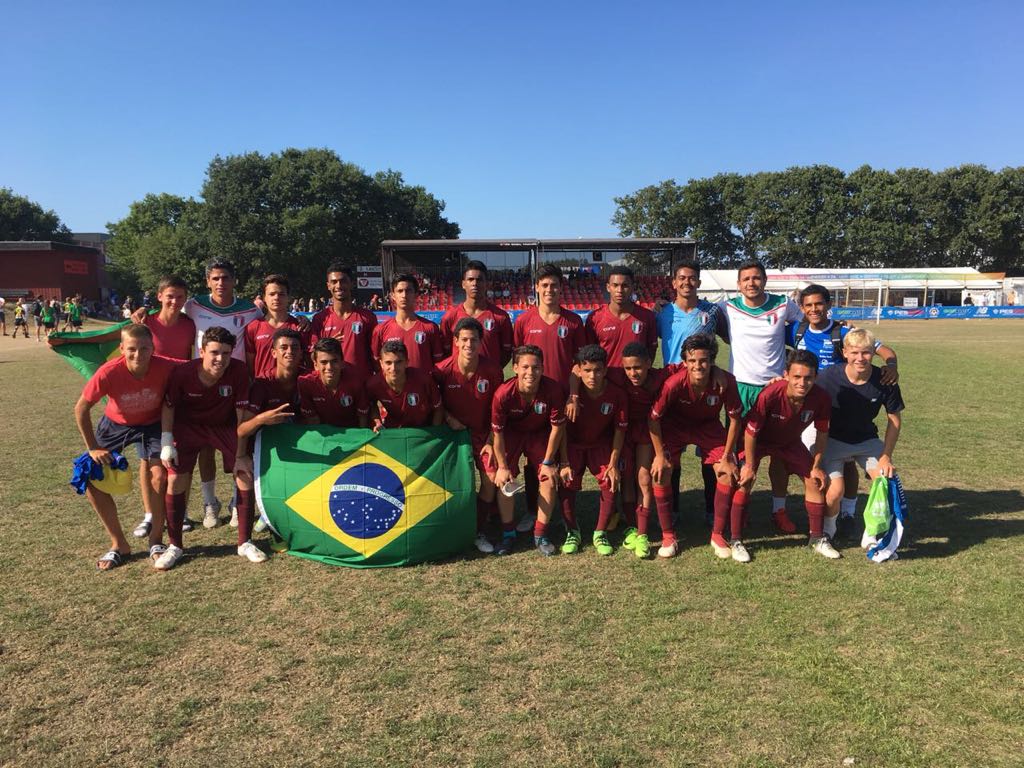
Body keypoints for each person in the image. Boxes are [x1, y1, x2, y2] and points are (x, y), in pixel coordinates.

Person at [135, 259, 263, 528]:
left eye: (226, 278)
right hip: (202, 387)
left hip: (235, 386)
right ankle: (210, 503)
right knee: (205, 449)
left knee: (239, 447)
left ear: (234, 280)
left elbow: (266, 328)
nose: (221, 283)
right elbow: (167, 313)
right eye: (215, 278)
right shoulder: (193, 305)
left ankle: (236, 503)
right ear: (207, 281)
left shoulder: (251, 310)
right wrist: (142, 315)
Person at [775, 283, 899, 533]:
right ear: (801, 308)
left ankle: (846, 512)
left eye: (819, 304)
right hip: (806, 404)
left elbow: (882, 350)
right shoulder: (794, 331)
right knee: (801, 459)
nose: (814, 309)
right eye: (808, 305)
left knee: (845, 462)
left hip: (837, 403)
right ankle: (799, 511)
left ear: (829, 305)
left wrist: (892, 365)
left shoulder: (843, 332)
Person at [74, 324, 176, 569]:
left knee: (159, 477)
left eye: (144, 348)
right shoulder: (109, 372)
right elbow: (81, 409)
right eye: (131, 349)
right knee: (89, 477)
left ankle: (156, 542)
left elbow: (197, 366)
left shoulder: (167, 366)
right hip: (116, 425)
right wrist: (92, 448)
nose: (138, 354)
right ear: (121, 349)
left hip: (152, 425)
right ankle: (119, 543)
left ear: (153, 348)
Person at [156, 327, 255, 570]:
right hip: (189, 427)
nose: (220, 359)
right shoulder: (183, 373)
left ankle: (245, 542)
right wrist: (167, 441)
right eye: (214, 352)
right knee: (176, 480)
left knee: (245, 473)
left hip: (223, 426)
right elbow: (168, 406)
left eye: (226, 353)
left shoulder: (239, 370)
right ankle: (175, 545)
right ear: (201, 351)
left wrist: (241, 454)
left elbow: (241, 414)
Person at [718, 259, 804, 533]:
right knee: (741, 455)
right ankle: (739, 509)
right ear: (738, 284)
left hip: (777, 388)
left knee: (780, 453)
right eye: (746, 279)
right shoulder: (727, 307)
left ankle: (778, 510)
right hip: (741, 388)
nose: (751, 283)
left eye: (756, 278)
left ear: (764, 280)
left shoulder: (783, 304)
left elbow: (807, 326)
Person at [649, 334, 745, 561]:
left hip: (708, 427)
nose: (697, 365)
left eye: (703, 360)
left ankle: (718, 535)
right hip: (676, 427)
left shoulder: (726, 381)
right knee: (660, 471)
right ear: (685, 362)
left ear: (712, 360)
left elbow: (735, 420)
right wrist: (660, 455)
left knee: (726, 473)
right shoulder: (674, 383)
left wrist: (728, 455)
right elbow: (653, 419)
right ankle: (668, 535)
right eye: (692, 361)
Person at [737, 350, 837, 559]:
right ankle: (736, 539)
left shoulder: (821, 398)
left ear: (815, 377)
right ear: (786, 375)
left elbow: (822, 434)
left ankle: (817, 538)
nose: (802, 383)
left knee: (814, 481)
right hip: (759, 441)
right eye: (797, 377)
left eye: (808, 377)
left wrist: (817, 465)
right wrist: (749, 465)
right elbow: (751, 433)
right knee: (743, 480)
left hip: (789, 443)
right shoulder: (770, 394)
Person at [511, 264, 587, 533]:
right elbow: (517, 362)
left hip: (564, 401)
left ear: (561, 288)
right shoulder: (523, 321)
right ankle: (534, 511)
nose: (549, 290)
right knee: (536, 458)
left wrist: (575, 395)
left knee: (567, 456)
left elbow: (580, 364)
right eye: (544, 285)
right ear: (537, 288)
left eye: (554, 285)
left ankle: (567, 514)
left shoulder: (573, 321)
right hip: (533, 403)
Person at [656, 259, 729, 528]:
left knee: (710, 452)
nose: (687, 282)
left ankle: (711, 509)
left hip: (705, 388)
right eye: (682, 278)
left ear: (699, 282)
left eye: (692, 278)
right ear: (674, 283)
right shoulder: (661, 313)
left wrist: (718, 369)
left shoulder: (711, 312)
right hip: (673, 391)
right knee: (671, 455)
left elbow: (729, 340)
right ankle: (672, 508)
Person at [816, 329, 904, 547]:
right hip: (833, 440)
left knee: (885, 480)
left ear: (873, 354)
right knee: (835, 492)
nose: (860, 358)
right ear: (844, 352)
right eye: (854, 352)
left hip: (867, 441)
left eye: (866, 353)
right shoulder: (828, 376)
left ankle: (872, 531)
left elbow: (894, 420)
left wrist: (886, 456)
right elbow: (806, 396)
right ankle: (829, 528)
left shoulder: (885, 379)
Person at [433, 317, 505, 554]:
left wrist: (491, 441)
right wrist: (447, 417)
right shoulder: (441, 371)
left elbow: (499, 410)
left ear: (480, 341)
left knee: (490, 481)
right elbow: (434, 403)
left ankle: (477, 529)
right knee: (454, 485)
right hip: (454, 437)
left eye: (473, 339)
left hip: (484, 435)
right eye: (464, 339)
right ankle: (453, 527)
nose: (468, 344)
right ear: (455, 341)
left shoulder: (493, 370)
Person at [490, 345, 567, 556]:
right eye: (525, 367)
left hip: (539, 434)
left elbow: (557, 428)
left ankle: (540, 534)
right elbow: (498, 433)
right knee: (504, 480)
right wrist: (503, 467)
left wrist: (549, 462)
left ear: (543, 368)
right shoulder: (503, 394)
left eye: (536, 367)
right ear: (515, 368)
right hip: (512, 434)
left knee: (548, 478)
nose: (530, 373)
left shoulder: (553, 390)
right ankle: (508, 534)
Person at [606, 343, 679, 551]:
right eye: (628, 368)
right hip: (622, 431)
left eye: (637, 367)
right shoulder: (618, 376)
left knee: (644, 479)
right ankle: (632, 525)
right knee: (626, 477)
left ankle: (643, 533)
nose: (633, 373)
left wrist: (717, 371)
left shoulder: (660, 376)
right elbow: (579, 369)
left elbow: (685, 367)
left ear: (648, 363)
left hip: (648, 432)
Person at [556, 345, 626, 556]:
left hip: (600, 445)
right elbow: (562, 430)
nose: (592, 375)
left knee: (611, 479)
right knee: (566, 480)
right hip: (573, 446)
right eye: (587, 371)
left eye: (597, 370)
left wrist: (613, 464)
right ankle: (572, 531)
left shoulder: (616, 394)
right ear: (578, 370)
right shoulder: (569, 395)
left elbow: (619, 431)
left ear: (605, 370)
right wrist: (565, 461)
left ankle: (600, 532)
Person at [235, 328, 305, 538]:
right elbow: (242, 430)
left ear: (302, 353)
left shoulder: (308, 378)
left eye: (294, 348)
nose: (289, 352)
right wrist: (262, 419)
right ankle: (266, 512)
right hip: (269, 448)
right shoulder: (262, 384)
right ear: (273, 353)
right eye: (283, 347)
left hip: (301, 441)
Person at [310, 264, 379, 382]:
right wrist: (327, 345)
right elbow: (313, 356)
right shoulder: (319, 319)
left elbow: (376, 356)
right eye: (334, 282)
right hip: (331, 386)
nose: (338, 285)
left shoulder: (368, 318)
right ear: (328, 285)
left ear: (352, 284)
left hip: (361, 387)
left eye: (343, 281)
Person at [439, 261, 514, 367]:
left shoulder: (501, 317)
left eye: (479, 280)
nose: (475, 283)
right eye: (470, 279)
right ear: (463, 284)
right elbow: (445, 353)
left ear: (487, 284)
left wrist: (491, 370)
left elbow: (506, 353)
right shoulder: (449, 317)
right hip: (458, 381)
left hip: (491, 380)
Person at [584, 265, 658, 366]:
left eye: (625, 285)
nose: (620, 290)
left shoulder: (647, 316)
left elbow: (651, 349)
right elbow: (590, 355)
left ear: (633, 287)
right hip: (607, 380)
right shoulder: (595, 318)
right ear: (608, 287)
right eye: (615, 285)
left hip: (636, 380)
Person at [371, 274, 444, 372]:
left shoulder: (430, 328)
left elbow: (438, 363)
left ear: (416, 294)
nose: (404, 295)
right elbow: (377, 364)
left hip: (422, 386)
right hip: (393, 387)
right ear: (393, 295)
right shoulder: (380, 330)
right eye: (400, 291)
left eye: (408, 291)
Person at [365, 340, 444, 429]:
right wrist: (377, 422)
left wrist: (434, 431)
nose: (393, 368)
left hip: (423, 429)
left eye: (398, 362)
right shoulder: (373, 384)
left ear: (407, 362)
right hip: (394, 429)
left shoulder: (424, 380)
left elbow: (438, 409)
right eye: (388, 363)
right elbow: (372, 405)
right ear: (381, 364)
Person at [245, 274, 311, 379]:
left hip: (293, 389)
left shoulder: (300, 326)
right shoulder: (253, 327)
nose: (276, 298)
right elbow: (249, 365)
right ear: (264, 298)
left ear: (288, 297)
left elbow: (308, 362)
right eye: (272, 294)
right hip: (263, 388)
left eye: (281, 294)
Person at [298, 337, 369, 428]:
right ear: (315, 365)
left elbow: (362, 418)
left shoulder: (356, 381)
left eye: (334, 361)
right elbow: (312, 420)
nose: (329, 367)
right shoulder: (306, 382)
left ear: (342, 362)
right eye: (324, 362)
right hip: (324, 433)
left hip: (351, 433)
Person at [142, 275, 197, 362]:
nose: (174, 301)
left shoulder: (191, 325)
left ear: (186, 298)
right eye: (170, 296)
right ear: (160, 297)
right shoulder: (145, 321)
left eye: (180, 297)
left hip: (181, 375)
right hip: (154, 375)